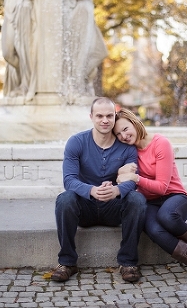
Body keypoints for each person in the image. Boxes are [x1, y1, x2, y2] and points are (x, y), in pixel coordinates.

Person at [113, 108, 187, 289]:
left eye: (125, 129)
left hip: (174, 197)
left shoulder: (161, 143)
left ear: (134, 122)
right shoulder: (130, 152)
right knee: (153, 229)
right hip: (150, 202)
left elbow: (162, 187)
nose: (123, 136)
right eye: (118, 134)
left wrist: (135, 178)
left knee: (166, 217)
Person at [53, 97, 146, 283]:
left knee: (137, 199)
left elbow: (132, 180)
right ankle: (67, 262)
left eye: (109, 116)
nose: (105, 120)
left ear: (114, 116)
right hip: (85, 207)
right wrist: (91, 190)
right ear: (91, 117)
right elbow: (69, 180)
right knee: (64, 199)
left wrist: (117, 191)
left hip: (113, 207)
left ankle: (128, 262)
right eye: (100, 116)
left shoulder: (127, 147)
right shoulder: (76, 142)